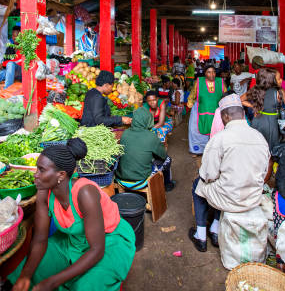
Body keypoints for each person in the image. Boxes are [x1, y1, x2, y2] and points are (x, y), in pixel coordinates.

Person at [10, 139, 135, 291]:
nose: (35, 175)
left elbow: (97, 250)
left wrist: (52, 282)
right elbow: (40, 239)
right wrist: (25, 276)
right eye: (37, 169)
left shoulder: (85, 193)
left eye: (41, 170)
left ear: (61, 175)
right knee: (31, 270)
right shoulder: (43, 192)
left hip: (108, 241)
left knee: (86, 285)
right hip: (73, 241)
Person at [188, 94, 270, 252]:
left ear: (224, 116)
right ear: (243, 114)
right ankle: (215, 227)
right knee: (223, 182)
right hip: (253, 196)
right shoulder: (260, 137)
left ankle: (201, 235)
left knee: (198, 185)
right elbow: (264, 172)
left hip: (230, 198)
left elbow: (208, 175)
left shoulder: (219, 139)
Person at [116, 107, 174, 191]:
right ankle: (167, 185)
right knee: (168, 159)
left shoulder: (125, 133)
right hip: (140, 181)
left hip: (121, 179)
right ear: (148, 120)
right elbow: (163, 155)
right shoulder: (150, 136)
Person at [242, 68, 285, 151]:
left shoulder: (256, 89)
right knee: (271, 149)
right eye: (278, 79)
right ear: (271, 80)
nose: (281, 80)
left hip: (257, 121)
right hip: (272, 124)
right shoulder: (280, 92)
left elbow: (240, 100)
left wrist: (253, 106)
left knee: (257, 147)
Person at [186, 65, 226, 155]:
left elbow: (226, 95)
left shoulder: (221, 82)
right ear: (205, 73)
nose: (212, 74)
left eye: (214, 72)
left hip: (216, 112)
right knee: (195, 130)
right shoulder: (199, 82)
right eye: (209, 72)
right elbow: (193, 94)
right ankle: (197, 150)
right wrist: (190, 102)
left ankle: (215, 150)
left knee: (216, 130)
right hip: (200, 109)